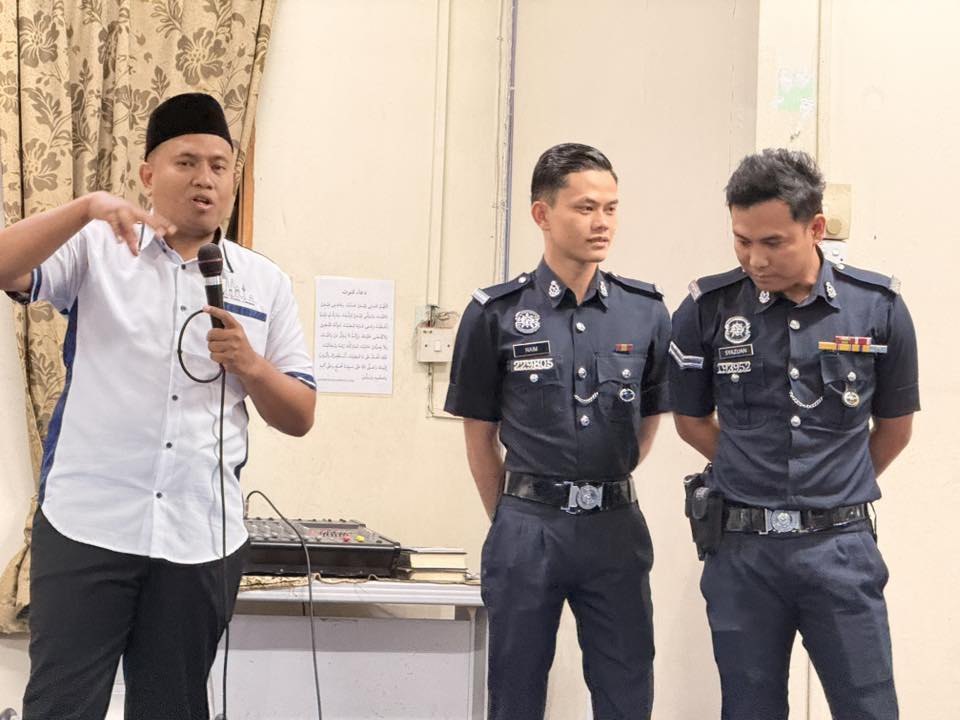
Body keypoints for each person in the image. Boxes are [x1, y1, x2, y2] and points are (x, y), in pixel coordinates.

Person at [0, 93, 316, 720]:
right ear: (148, 174)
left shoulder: (265, 282)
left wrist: (252, 366)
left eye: (220, 166)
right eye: (186, 162)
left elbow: (300, 415)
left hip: (200, 534)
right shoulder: (96, 249)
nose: (205, 179)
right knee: (62, 704)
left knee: (173, 707)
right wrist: (86, 207)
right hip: (90, 524)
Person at [670, 148, 918, 719]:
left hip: (840, 549)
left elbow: (895, 430)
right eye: (741, 241)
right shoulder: (708, 309)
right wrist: (751, 468)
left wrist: (831, 482)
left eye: (773, 242)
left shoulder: (876, 308)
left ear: (816, 228)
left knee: (869, 707)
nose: (755, 259)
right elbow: (691, 421)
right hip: (743, 554)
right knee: (749, 709)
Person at [445, 143, 671, 720]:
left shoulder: (645, 311)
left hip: (615, 527)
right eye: (586, 208)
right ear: (542, 214)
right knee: (516, 694)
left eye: (611, 208)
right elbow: (479, 435)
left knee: (627, 693)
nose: (602, 223)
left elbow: (649, 419)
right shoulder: (495, 313)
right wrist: (513, 516)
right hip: (529, 527)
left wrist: (606, 479)